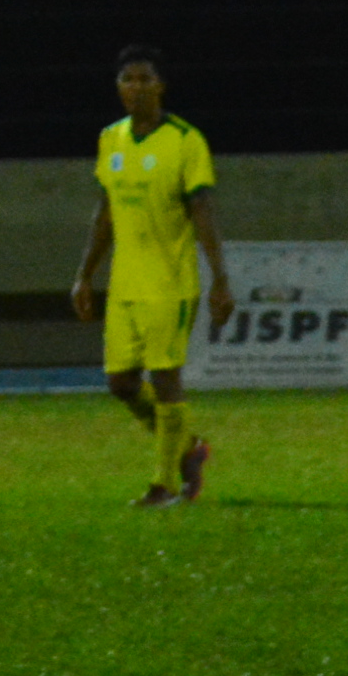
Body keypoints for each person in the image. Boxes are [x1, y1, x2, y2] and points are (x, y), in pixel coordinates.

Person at [71, 47, 234, 507]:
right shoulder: (111, 139)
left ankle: (165, 485)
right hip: (126, 282)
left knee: (165, 379)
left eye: (145, 79)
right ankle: (188, 449)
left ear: (161, 86)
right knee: (121, 383)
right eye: (128, 79)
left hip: (170, 281)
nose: (136, 87)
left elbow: (202, 209)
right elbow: (105, 212)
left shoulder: (185, 140)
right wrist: (84, 275)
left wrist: (220, 278)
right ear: (118, 88)